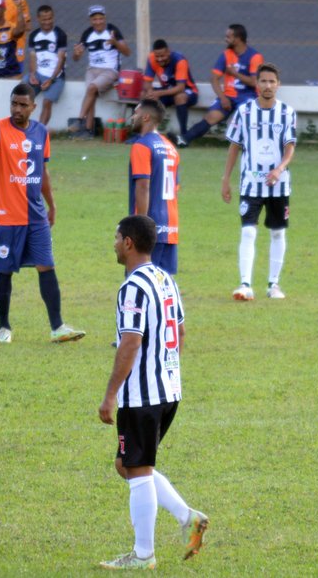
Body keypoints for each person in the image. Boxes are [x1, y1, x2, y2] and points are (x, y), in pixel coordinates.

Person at [98, 214, 208, 570]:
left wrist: (110, 395)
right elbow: (181, 332)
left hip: (143, 395)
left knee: (138, 469)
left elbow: (130, 342)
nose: (115, 243)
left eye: (117, 238)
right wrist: (166, 370)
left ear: (129, 243)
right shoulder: (166, 279)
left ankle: (143, 554)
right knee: (126, 465)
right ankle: (188, 517)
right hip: (169, 390)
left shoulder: (132, 287)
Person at [0, 83, 85, 344]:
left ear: (33, 107)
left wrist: (52, 205)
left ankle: (57, 327)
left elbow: (43, 172)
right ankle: (3, 328)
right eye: (13, 104)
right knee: (4, 270)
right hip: (7, 215)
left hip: (36, 215)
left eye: (22, 105)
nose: (17, 109)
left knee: (47, 265)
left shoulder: (41, 132)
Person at [221, 63, 296, 301]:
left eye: (272, 81)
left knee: (277, 233)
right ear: (256, 84)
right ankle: (245, 285)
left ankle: (274, 285)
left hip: (279, 184)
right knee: (248, 232)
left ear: (278, 84)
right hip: (250, 183)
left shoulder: (287, 113)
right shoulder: (244, 112)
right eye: (263, 81)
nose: (267, 85)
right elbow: (234, 146)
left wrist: (279, 169)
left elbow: (290, 147)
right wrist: (226, 178)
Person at [169, 24, 264, 147]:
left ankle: (252, 145)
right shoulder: (226, 54)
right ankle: (183, 140)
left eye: (228, 37)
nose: (226, 39)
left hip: (248, 96)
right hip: (228, 96)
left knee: (245, 117)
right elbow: (214, 79)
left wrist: (235, 73)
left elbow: (254, 82)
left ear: (238, 39)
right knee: (211, 116)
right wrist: (223, 98)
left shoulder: (255, 57)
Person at [128, 99, 181, 275]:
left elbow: (143, 186)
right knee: (164, 285)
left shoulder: (141, 146)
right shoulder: (171, 148)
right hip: (170, 228)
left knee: (139, 282)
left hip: (150, 227)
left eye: (135, 113)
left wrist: (140, 227)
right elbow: (175, 188)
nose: (132, 117)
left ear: (146, 117)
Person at [70, 5, 131, 139]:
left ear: (105, 18)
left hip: (110, 70)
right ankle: (88, 131)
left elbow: (127, 52)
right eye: (94, 19)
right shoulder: (87, 33)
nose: (98, 22)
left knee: (91, 88)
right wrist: (76, 53)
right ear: (90, 20)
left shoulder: (112, 30)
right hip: (92, 69)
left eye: (100, 19)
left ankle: (79, 120)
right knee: (91, 93)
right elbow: (76, 58)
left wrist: (115, 42)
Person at [141, 39, 199, 137]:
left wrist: (158, 93)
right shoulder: (151, 58)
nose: (159, 59)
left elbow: (180, 88)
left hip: (188, 91)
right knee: (144, 95)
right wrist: (150, 92)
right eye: (157, 56)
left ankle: (184, 135)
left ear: (168, 52)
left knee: (179, 97)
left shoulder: (180, 60)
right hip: (167, 91)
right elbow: (147, 82)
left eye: (162, 56)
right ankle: (143, 134)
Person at [26, 5, 67, 126]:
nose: (47, 22)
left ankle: (39, 131)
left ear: (53, 17)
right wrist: (32, 74)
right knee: (22, 97)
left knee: (47, 102)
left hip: (56, 77)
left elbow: (61, 60)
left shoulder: (60, 34)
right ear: (38, 19)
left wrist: (51, 79)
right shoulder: (34, 35)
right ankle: (20, 129)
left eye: (50, 18)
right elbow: (33, 57)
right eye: (44, 19)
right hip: (38, 74)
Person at [0, 0, 32, 75]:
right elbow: (28, 26)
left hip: (5, 48)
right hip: (18, 48)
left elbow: (0, 27)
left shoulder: (4, 5)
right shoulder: (21, 1)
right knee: (16, 77)